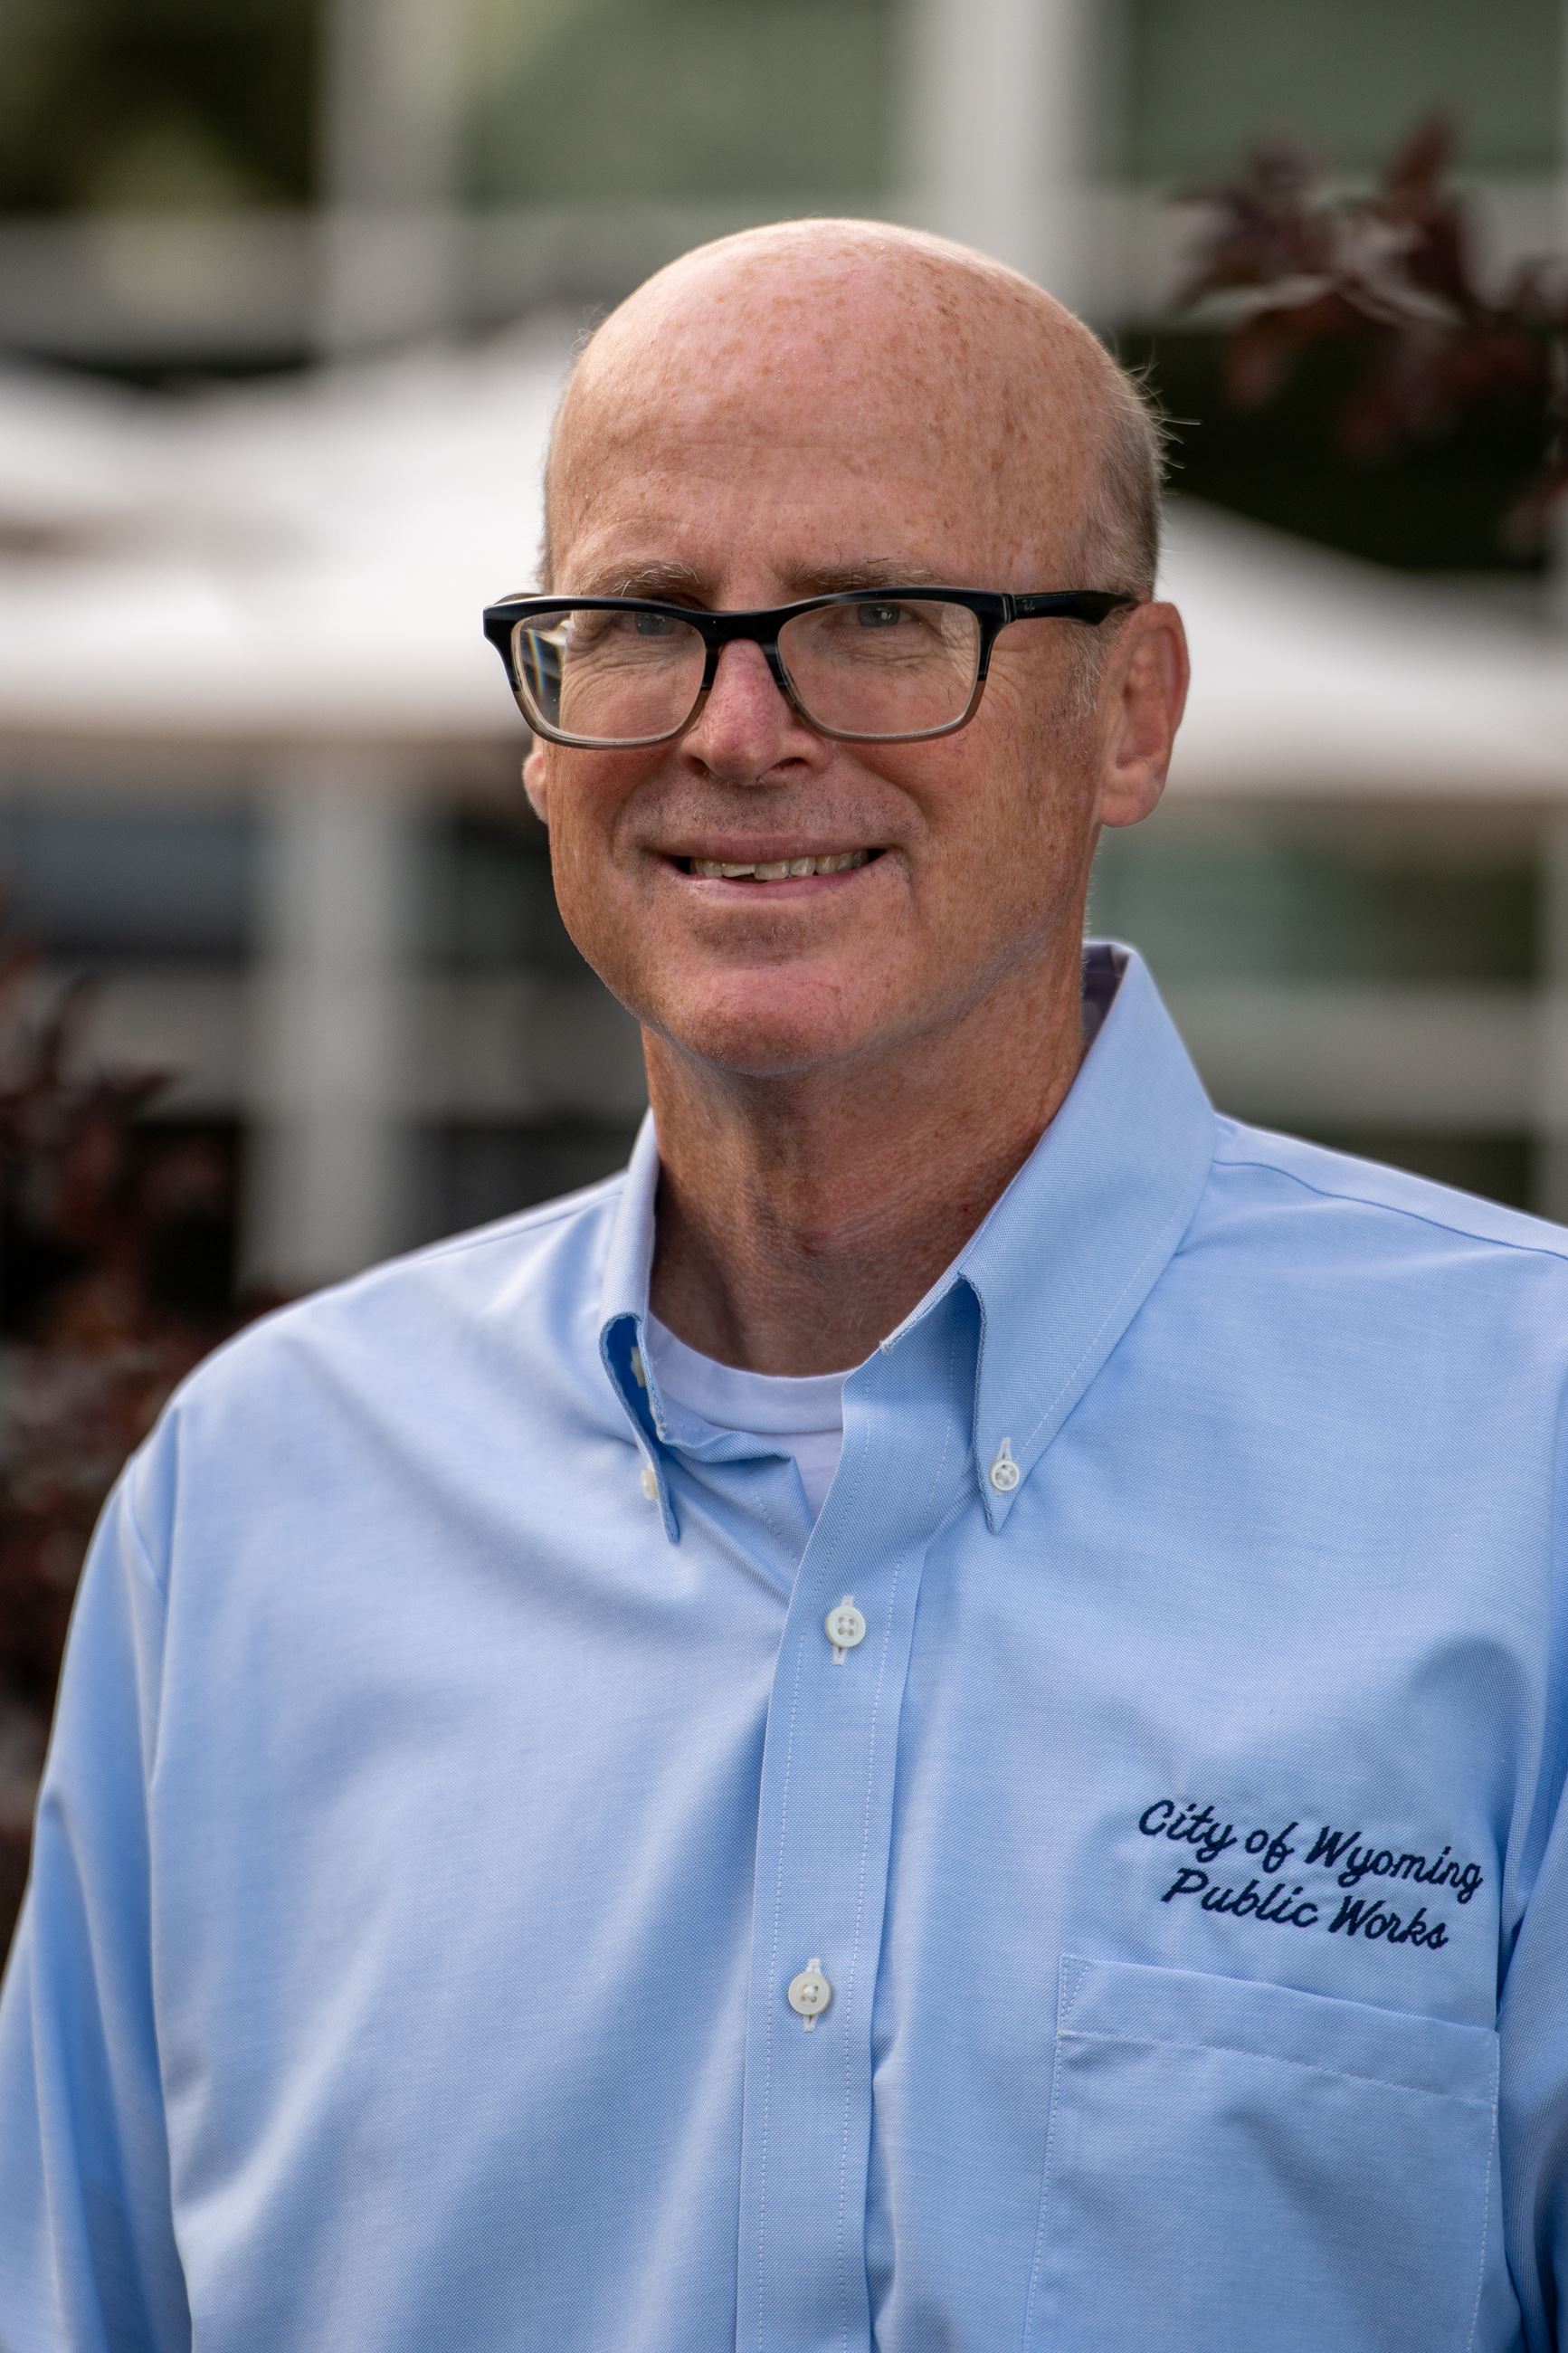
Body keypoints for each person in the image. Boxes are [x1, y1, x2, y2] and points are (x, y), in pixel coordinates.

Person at [0, 219, 1563, 2353]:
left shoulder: (1524, 1457)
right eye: (642, 622)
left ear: (1131, 714)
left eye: (880, 616)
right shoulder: (257, 1505)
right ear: (543, 728)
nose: (739, 729)